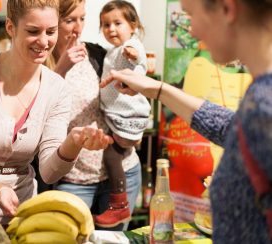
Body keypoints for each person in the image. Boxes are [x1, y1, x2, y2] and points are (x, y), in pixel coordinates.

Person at [100, 0, 272, 242]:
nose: (191, 31)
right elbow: (231, 128)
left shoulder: (264, 105)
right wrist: (158, 89)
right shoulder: (261, 98)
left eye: (190, 15)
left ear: (226, 9)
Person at [0, 0, 113, 226]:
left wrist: (74, 142)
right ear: (10, 27)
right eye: (33, 31)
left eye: (51, 31)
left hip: (20, 214)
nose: (43, 41)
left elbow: (49, 173)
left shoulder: (57, 90)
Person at [47, 0, 143, 230]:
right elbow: (37, 114)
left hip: (122, 172)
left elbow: (126, 93)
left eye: (82, 18)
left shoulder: (98, 55)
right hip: (74, 181)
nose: (78, 28)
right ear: (52, 23)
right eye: (70, 20)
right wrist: (61, 69)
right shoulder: (40, 65)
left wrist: (133, 128)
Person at [95, 0, 151, 228]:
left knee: (111, 155)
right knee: (113, 152)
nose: (111, 29)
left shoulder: (130, 45)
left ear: (133, 25)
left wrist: (132, 53)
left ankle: (119, 205)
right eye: (106, 25)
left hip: (129, 117)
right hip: (120, 117)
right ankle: (118, 205)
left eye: (117, 23)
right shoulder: (112, 50)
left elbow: (137, 58)